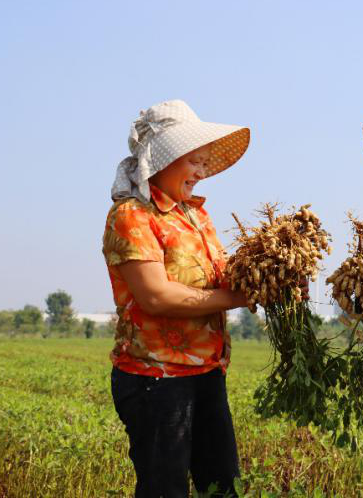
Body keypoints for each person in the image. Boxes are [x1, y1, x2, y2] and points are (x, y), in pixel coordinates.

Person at [103, 99, 250, 497]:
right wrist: (235, 298)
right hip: (156, 379)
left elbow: (221, 275)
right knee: (164, 490)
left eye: (205, 163)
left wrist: (269, 274)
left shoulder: (196, 217)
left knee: (220, 487)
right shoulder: (132, 216)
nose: (202, 173)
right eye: (194, 162)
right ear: (164, 159)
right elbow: (156, 296)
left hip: (206, 373)